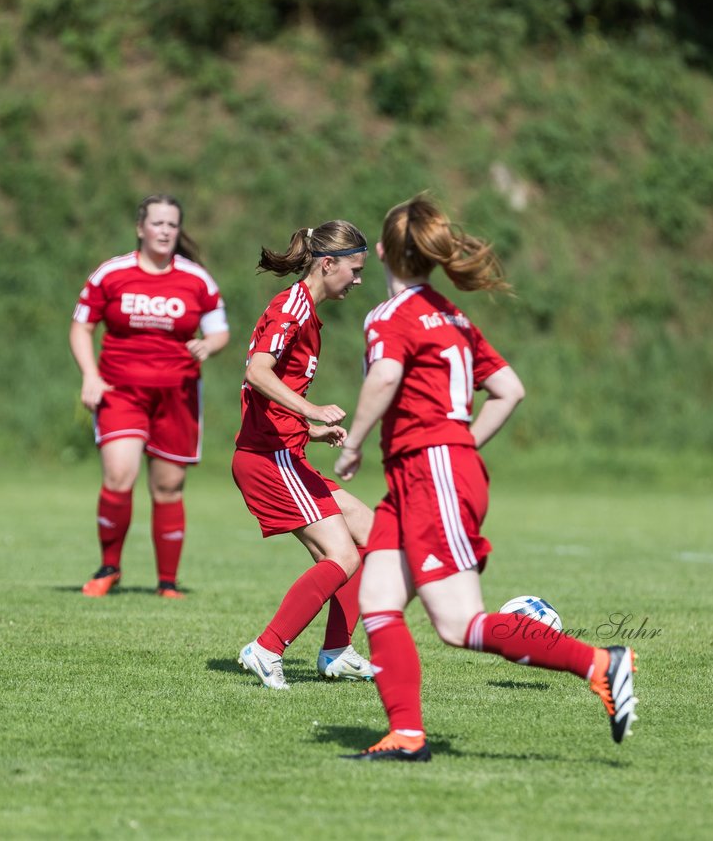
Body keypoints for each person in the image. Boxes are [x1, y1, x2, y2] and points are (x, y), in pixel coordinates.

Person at [333, 194, 638, 760]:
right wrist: (460, 444)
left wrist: (354, 444)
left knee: (458, 622)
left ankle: (599, 662)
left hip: (430, 472)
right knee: (376, 600)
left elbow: (385, 378)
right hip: (425, 471)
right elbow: (510, 390)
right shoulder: (452, 315)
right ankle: (405, 736)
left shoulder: (391, 316)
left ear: (382, 253)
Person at [231, 220, 376, 689]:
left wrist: (307, 429)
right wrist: (309, 407)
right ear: (328, 263)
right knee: (342, 555)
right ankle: (267, 648)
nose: (357, 281)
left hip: (284, 450)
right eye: (353, 270)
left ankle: (336, 651)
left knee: (368, 532)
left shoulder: (307, 312)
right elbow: (257, 372)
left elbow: (269, 391)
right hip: (267, 459)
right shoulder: (293, 308)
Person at [69, 195, 230, 598]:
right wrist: (90, 374)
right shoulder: (112, 274)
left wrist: (208, 347)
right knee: (120, 475)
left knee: (169, 488)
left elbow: (220, 331)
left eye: (172, 225)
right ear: (140, 228)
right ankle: (109, 568)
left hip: (177, 395)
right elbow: (81, 327)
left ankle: (168, 583)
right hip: (120, 391)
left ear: (179, 231)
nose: (164, 231)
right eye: (157, 223)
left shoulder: (197, 279)